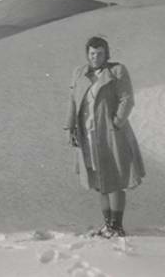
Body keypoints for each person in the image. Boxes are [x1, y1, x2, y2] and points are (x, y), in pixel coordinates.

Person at [64, 36, 146, 238]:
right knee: (98, 179)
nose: (95, 57)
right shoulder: (79, 73)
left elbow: (127, 99)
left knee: (115, 176)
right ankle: (107, 225)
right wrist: (71, 127)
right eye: (92, 53)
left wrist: (116, 123)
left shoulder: (117, 71)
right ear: (87, 54)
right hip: (88, 134)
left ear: (106, 54)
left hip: (111, 134)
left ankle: (116, 227)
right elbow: (73, 102)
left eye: (100, 53)